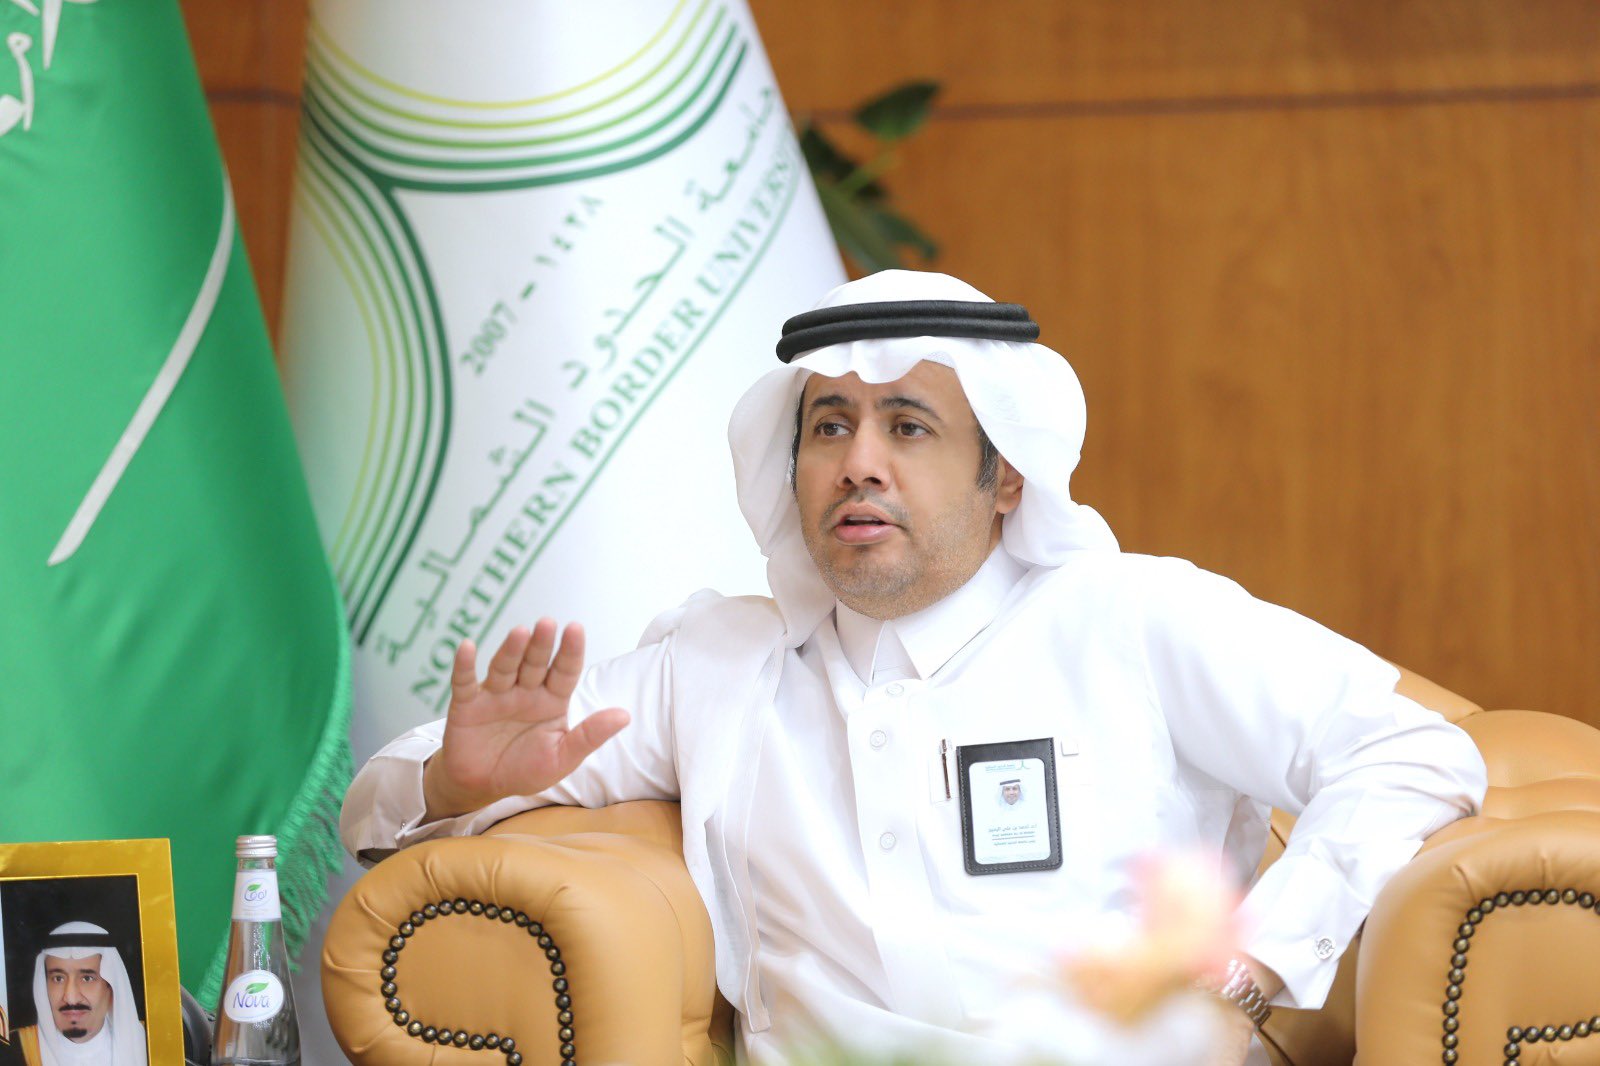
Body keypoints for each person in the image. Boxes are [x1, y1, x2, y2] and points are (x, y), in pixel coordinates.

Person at [342, 270, 1487, 1064]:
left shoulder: (1131, 619)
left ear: (1007, 476)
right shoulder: (717, 663)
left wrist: (1243, 973)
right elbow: (388, 795)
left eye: (908, 426)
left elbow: (1411, 752)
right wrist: (457, 780)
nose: (859, 463)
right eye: (828, 427)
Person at [5, 921, 147, 1066]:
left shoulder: (149, 1042)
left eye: (87, 978)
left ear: (110, 987)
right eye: (58, 978)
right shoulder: (13, 1049)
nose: (71, 998)